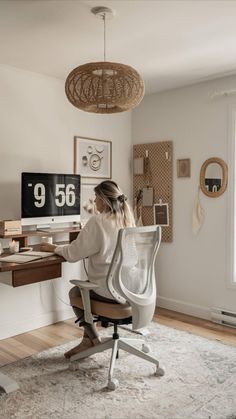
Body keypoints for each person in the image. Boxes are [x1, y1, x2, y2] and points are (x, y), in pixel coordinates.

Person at [40, 180, 135, 359]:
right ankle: (88, 341)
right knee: (85, 290)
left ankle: (92, 339)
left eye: (96, 197)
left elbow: (73, 253)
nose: (94, 201)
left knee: (76, 292)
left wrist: (53, 248)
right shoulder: (127, 220)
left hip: (110, 292)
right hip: (131, 290)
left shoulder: (98, 221)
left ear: (103, 199)